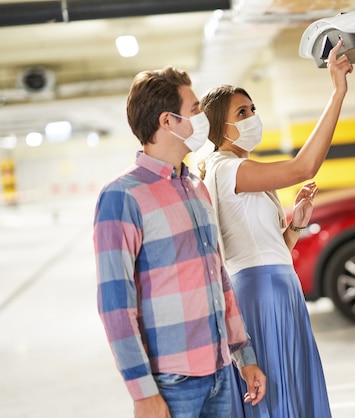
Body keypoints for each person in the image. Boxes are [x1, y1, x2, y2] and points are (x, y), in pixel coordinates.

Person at [93, 66, 266, 418]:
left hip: (219, 372)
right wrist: (142, 393)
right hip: (170, 382)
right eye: (195, 109)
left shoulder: (196, 187)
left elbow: (219, 280)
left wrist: (243, 357)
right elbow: (115, 306)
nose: (202, 117)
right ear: (167, 122)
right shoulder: (121, 197)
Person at [198, 40, 353, 417]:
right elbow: (304, 167)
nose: (253, 116)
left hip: (278, 288)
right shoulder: (229, 168)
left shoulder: (241, 169)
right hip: (262, 294)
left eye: (253, 108)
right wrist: (337, 92)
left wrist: (295, 225)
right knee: (278, 394)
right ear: (220, 126)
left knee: (291, 390)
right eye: (242, 111)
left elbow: (268, 247)